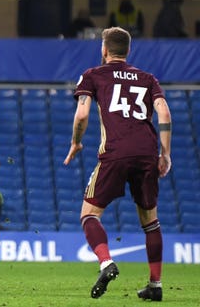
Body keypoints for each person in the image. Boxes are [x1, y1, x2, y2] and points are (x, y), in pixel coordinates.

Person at [63, 26, 172, 301]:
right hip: (147, 152)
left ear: (104, 50)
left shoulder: (94, 75)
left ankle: (106, 262)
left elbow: (82, 113)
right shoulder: (148, 79)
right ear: (128, 51)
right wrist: (165, 153)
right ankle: (155, 285)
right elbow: (164, 112)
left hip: (115, 152)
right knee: (151, 222)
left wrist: (76, 142)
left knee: (89, 215)